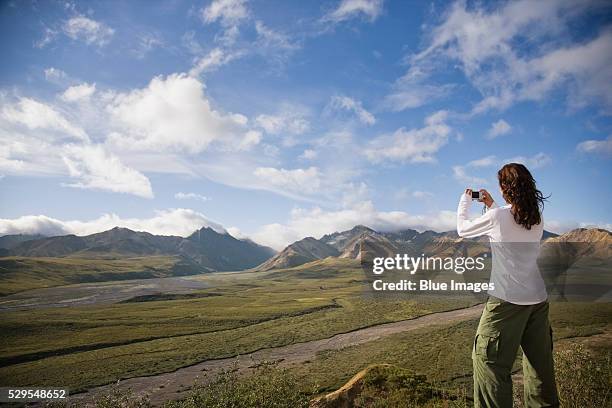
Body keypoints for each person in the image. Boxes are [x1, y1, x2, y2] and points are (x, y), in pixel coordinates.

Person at [456, 163, 559, 408]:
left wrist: (465, 201)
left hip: (506, 302)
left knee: (489, 364)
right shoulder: (536, 218)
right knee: (539, 369)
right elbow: (510, 224)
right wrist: (492, 205)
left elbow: (463, 229)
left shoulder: (498, 216)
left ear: (505, 188)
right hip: (537, 301)